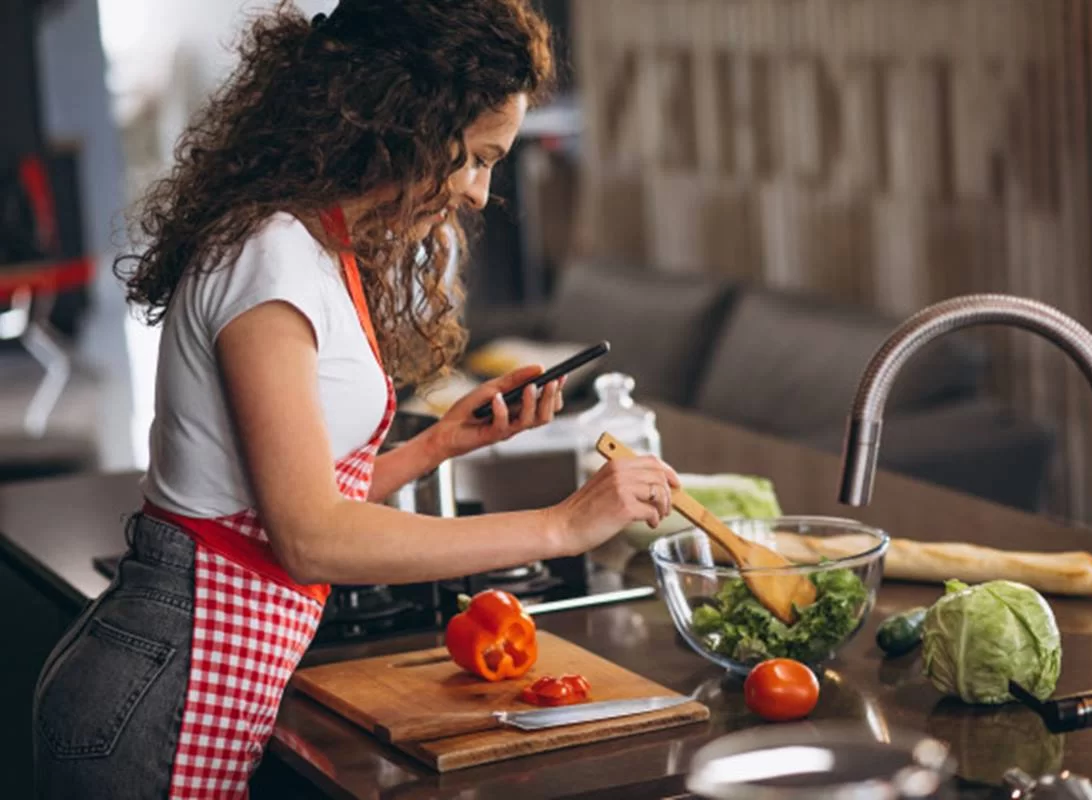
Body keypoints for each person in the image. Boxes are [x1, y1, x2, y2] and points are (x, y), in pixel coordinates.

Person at [31, 2, 679, 797]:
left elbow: (275, 502)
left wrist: (438, 446)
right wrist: (562, 527)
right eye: (475, 158)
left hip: (170, 677)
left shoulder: (311, 244)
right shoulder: (270, 259)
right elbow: (308, 538)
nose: (480, 193)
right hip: (154, 695)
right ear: (405, 121)